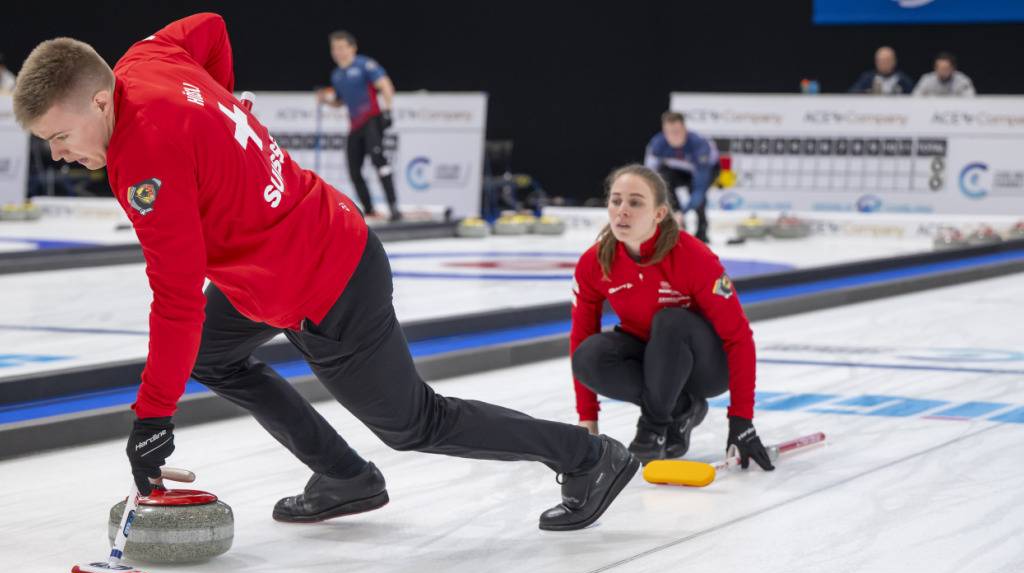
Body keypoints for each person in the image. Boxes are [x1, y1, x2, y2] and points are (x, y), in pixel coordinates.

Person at [13, 13, 637, 532]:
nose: (58, 153)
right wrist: (223, 114)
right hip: (295, 254)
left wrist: (152, 418)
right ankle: (344, 475)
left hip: (330, 285)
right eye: (47, 142)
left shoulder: (142, 162)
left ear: (101, 100)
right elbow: (210, 25)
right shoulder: (145, 59)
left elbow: (177, 300)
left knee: (416, 423)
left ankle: (589, 456)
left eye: (60, 135)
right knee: (210, 356)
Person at [569, 164, 774, 472]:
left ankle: (653, 428)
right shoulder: (594, 262)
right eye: (616, 201)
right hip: (651, 356)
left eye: (635, 202)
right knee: (588, 356)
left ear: (659, 213)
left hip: (705, 367)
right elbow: (581, 335)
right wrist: (588, 421)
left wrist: (741, 420)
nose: (622, 210)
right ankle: (682, 409)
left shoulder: (693, 257)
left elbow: (738, 337)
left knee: (671, 321)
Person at [315, 30, 401, 221]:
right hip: (355, 126)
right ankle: (369, 210)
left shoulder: (364, 65)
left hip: (372, 120)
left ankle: (394, 207)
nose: (338, 52)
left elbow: (385, 85)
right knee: (353, 169)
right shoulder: (337, 75)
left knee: (379, 162)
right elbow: (340, 101)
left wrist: (387, 111)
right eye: (334, 48)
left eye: (342, 47)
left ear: (352, 48)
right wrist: (325, 100)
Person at [643, 112, 719, 243]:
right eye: (668, 132)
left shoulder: (699, 144)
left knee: (697, 197)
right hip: (677, 171)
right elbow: (649, 176)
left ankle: (702, 229)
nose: (673, 136)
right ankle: (677, 222)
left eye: (676, 131)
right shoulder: (657, 144)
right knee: (661, 180)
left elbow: (699, 189)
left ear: (684, 129)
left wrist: (683, 212)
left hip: (705, 171)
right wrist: (673, 212)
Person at [848, 46, 914, 95]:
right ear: (876, 62)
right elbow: (852, 93)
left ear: (894, 61)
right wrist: (867, 92)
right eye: (881, 61)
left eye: (887, 60)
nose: (884, 64)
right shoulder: (868, 78)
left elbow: (913, 96)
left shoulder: (903, 79)